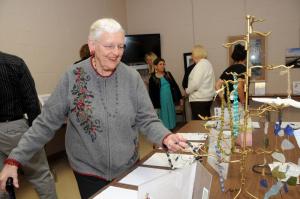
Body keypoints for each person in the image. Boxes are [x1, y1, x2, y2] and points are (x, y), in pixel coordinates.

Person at [0, 18, 187, 199]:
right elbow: (44, 124)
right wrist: (14, 159)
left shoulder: (132, 78)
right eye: (109, 46)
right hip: (88, 172)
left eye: (121, 46)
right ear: (92, 46)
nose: (116, 52)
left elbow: (147, 119)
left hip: (128, 167)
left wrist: (165, 136)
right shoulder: (72, 77)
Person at [0, 51, 57, 199]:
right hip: (14, 128)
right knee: (40, 174)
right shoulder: (14, 63)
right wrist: (38, 134)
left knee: (2, 180)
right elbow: (31, 101)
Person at [148, 58, 182, 130]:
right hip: (160, 101)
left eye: (163, 64)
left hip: (170, 99)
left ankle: (172, 130)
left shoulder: (168, 74)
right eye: (160, 64)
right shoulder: (152, 78)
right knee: (163, 116)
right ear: (155, 66)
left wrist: (180, 98)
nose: (163, 66)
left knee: (171, 114)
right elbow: (151, 93)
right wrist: (153, 106)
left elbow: (175, 86)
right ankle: (165, 131)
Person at [185, 45, 215, 120]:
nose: (192, 56)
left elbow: (195, 84)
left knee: (199, 124)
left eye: (192, 54)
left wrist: (187, 91)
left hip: (199, 100)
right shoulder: (208, 64)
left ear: (196, 54)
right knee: (206, 122)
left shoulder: (200, 65)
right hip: (207, 98)